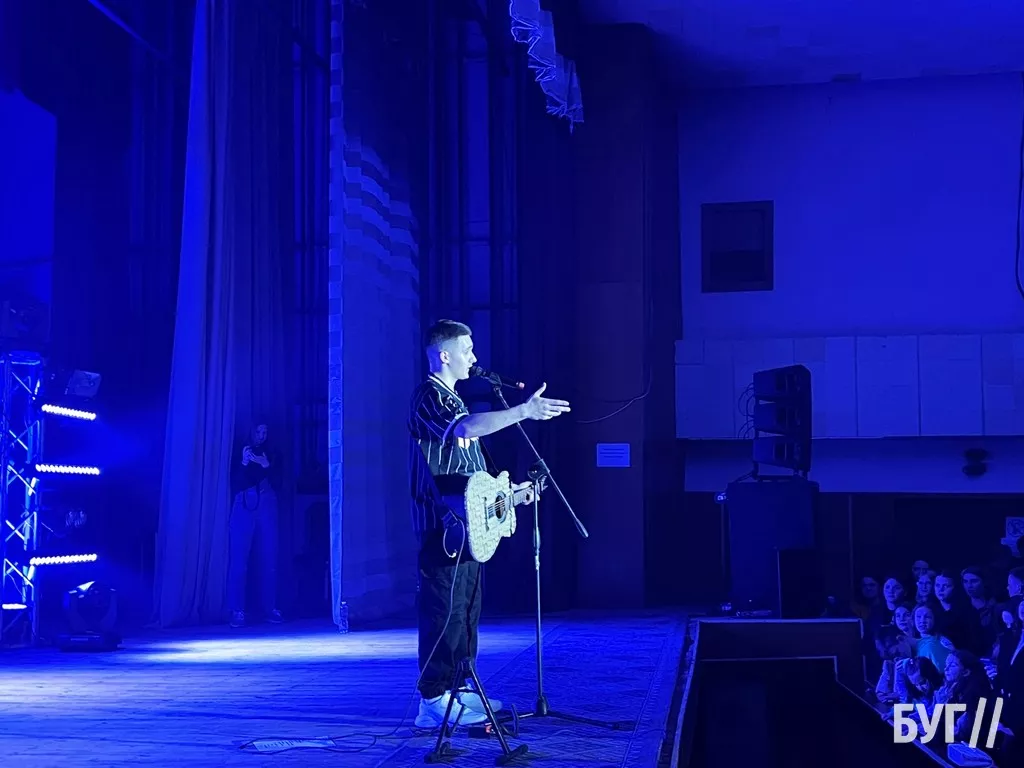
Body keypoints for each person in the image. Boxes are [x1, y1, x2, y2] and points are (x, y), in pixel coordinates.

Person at [409, 319, 570, 728]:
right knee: (443, 610)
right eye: (467, 350)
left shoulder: (458, 402)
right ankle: (433, 699)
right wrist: (523, 412)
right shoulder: (429, 396)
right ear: (444, 355)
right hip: (442, 526)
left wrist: (513, 493)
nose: (474, 358)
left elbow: (476, 480)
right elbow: (464, 429)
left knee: (467, 609)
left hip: (469, 528)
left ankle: (461, 686)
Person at [227, 420, 282, 628]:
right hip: (243, 504)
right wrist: (244, 462)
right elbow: (234, 483)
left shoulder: (272, 452)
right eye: (258, 431)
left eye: (265, 431)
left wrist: (266, 465)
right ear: (251, 431)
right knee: (238, 561)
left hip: (266, 502)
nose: (262, 435)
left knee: (269, 557)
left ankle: (270, 608)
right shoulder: (238, 450)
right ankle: (237, 610)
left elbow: (281, 483)